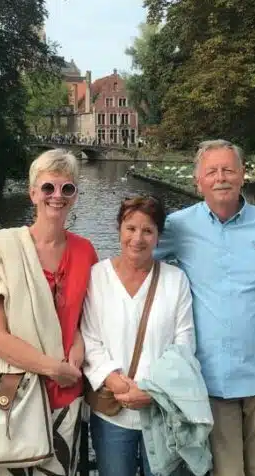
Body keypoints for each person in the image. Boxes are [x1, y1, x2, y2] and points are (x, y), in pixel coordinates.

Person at [155, 139, 255, 476]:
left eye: (228, 170)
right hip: (209, 379)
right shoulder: (178, 227)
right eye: (211, 171)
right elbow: (136, 259)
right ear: (198, 180)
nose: (221, 178)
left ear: (243, 175)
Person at [0, 149, 98, 476]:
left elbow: (85, 319)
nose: (57, 196)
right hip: (18, 394)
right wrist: (53, 368)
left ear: (75, 196)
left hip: (67, 397)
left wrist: (79, 343)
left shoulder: (85, 252)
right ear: (32, 193)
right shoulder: (5, 250)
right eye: (48, 187)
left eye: (67, 188)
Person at [81, 195, 197, 476]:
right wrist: (112, 378)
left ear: (158, 236)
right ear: (119, 229)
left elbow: (184, 343)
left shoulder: (175, 280)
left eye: (147, 230)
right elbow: (89, 337)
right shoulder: (98, 276)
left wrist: (153, 391)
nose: (137, 238)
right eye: (130, 228)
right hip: (113, 410)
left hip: (161, 410)